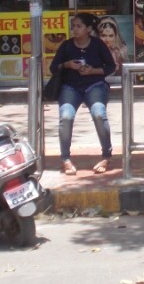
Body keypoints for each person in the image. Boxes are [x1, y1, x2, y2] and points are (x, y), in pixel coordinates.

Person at [50, 12, 118, 175]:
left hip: (94, 85)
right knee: (66, 116)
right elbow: (53, 68)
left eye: (79, 26)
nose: (75, 29)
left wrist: (93, 71)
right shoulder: (66, 46)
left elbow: (111, 67)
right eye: (73, 26)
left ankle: (106, 155)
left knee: (99, 113)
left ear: (88, 29)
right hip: (70, 86)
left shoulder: (98, 45)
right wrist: (67, 65)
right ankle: (65, 158)